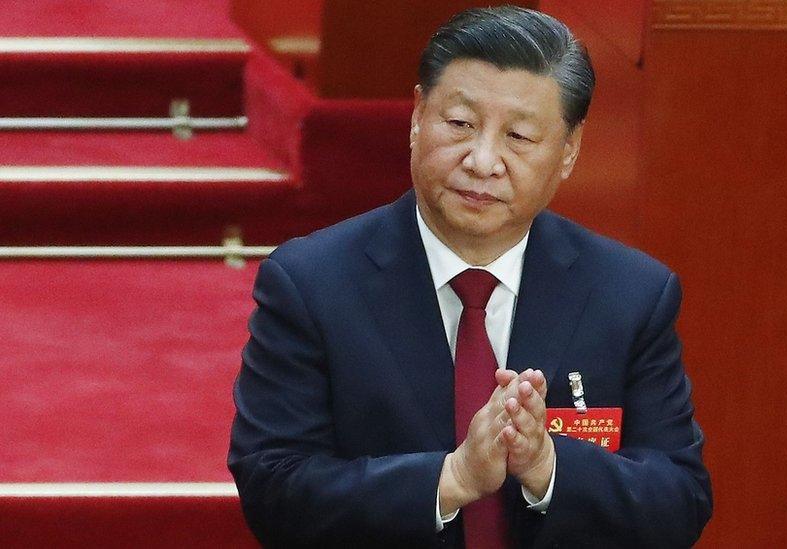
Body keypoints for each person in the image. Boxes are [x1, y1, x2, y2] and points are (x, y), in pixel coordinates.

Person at [229, 6, 712, 548]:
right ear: (416, 116)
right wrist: (450, 480)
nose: (483, 162)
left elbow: (679, 500)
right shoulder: (311, 284)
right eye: (459, 124)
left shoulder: (631, 295)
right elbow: (273, 491)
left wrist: (550, 467)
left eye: (519, 137)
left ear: (569, 150)